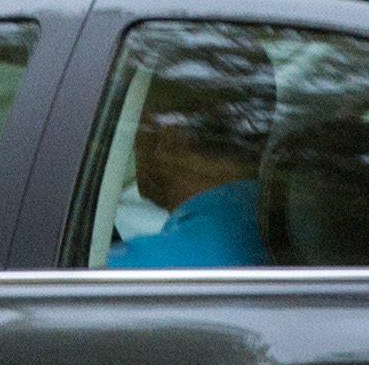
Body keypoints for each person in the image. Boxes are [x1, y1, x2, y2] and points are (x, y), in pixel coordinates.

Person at [109, 66, 274, 266]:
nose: (134, 143)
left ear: (170, 140)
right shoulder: (298, 246)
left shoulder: (118, 274)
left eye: (137, 124)